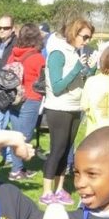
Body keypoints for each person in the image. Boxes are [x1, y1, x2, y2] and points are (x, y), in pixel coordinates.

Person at [40, 18, 94, 206]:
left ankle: (60, 188)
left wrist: (90, 69)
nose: (86, 41)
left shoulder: (75, 53)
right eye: (84, 37)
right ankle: (46, 191)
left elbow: (78, 81)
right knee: (57, 150)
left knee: (66, 150)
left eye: (89, 38)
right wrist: (77, 69)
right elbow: (57, 87)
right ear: (73, 33)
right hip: (59, 108)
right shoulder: (57, 53)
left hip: (75, 107)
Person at [6, 23, 46, 180]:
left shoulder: (13, 54)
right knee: (25, 136)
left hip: (13, 98)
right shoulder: (38, 58)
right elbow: (43, 81)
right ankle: (16, 170)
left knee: (16, 134)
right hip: (30, 99)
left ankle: (18, 168)